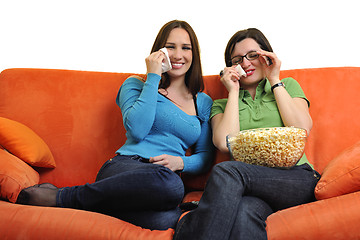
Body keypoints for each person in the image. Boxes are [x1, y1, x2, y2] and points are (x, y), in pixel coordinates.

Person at [15, 20, 214, 231]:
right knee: (172, 186)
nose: (177, 55)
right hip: (126, 167)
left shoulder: (202, 101)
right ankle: (64, 196)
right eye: (170, 47)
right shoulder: (136, 85)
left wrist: (180, 163)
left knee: (166, 220)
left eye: (186, 48)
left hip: (160, 180)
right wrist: (154, 76)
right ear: (159, 51)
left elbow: (205, 155)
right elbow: (137, 130)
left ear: (195, 54)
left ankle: (95, 204)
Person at [173, 28, 321, 239]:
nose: (245, 63)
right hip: (251, 192)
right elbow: (225, 143)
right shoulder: (221, 105)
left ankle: (192, 226)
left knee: (227, 171)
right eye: (237, 60)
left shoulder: (286, 85)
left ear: (267, 56)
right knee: (243, 214)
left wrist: (274, 78)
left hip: (295, 179)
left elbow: (301, 128)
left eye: (253, 55)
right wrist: (233, 91)